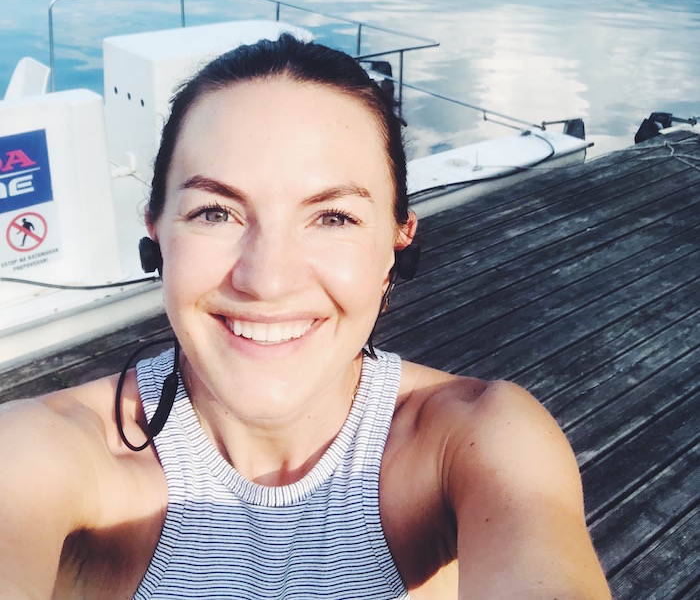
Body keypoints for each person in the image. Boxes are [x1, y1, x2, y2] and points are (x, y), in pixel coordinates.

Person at [0, 34, 611, 599]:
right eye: (216, 212)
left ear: (397, 237)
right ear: (156, 229)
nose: (266, 279)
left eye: (333, 217)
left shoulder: (474, 442)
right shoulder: (38, 454)